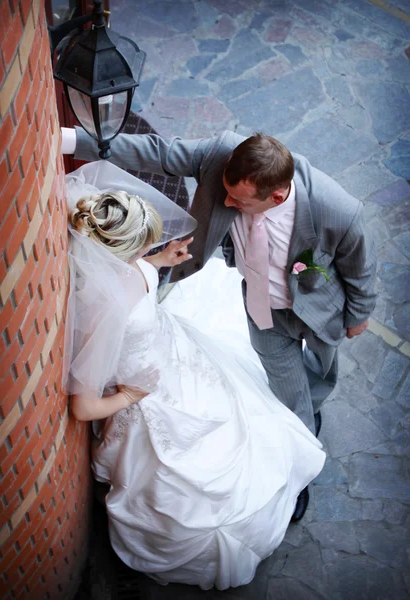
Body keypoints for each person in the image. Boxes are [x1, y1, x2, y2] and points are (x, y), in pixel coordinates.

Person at [62, 127, 377, 519]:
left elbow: (358, 266)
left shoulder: (338, 209)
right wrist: (70, 140)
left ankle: (311, 407)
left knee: (321, 375)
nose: (225, 202)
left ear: (276, 196)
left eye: (238, 200)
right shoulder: (220, 156)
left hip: (320, 311)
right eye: (226, 191)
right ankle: (298, 468)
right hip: (264, 309)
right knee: (290, 394)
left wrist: (359, 314)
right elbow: (155, 151)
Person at [64, 160, 325, 591]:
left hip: (177, 354)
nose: (148, 252)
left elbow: (132, 273)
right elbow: (84, 407)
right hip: (145, 393)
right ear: (116, 253)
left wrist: (159, 260)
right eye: (142, 248)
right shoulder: (101, 313)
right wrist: (132, 396)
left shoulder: (116, 268)